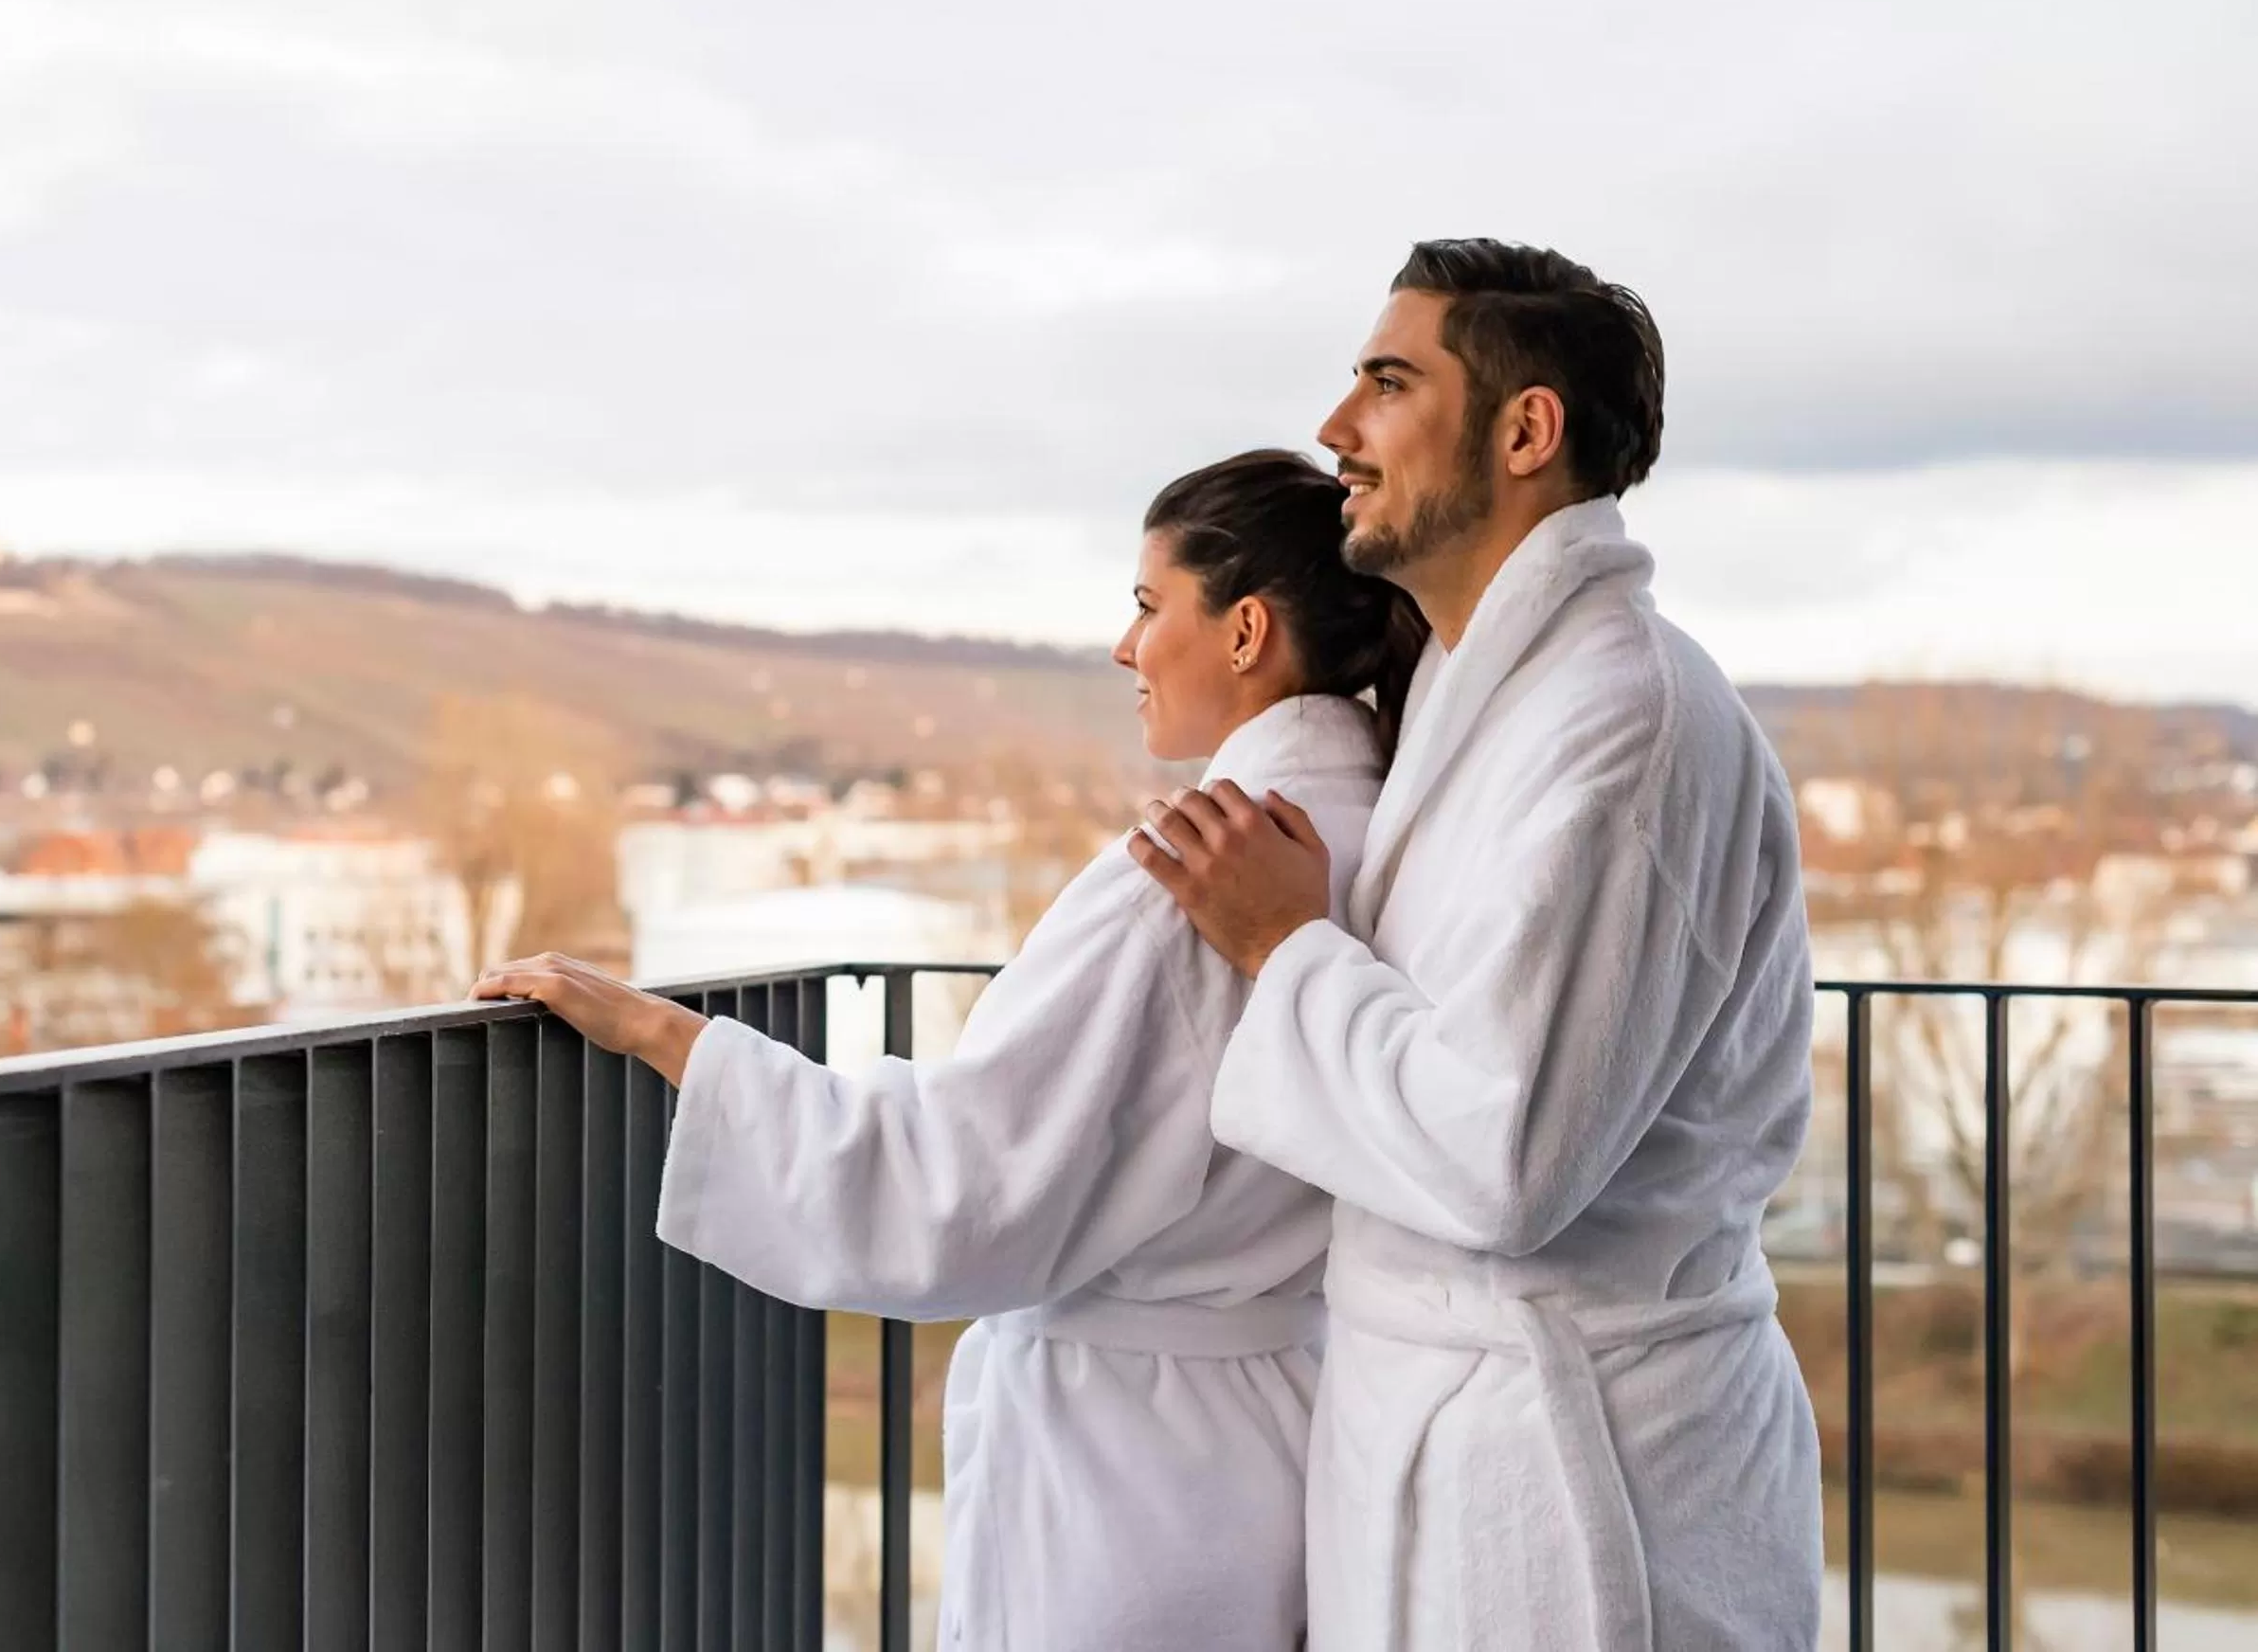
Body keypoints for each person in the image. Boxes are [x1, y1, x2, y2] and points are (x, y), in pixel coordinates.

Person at [475, 451, 1425, 1650]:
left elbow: (958, 1185)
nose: (1125, 647)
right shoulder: (1379, 834)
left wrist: (671, 1035)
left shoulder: (1189, 874)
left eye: (1148, 605)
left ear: (1245, 631)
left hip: (1130, 1495)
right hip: (1282, 1441)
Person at [1130, 242, 1822, 1651]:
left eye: (1389, 384)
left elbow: (1502, 1160)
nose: (1337, 428)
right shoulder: (1485, 692)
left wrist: (1284, 944)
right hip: (1440, 1430)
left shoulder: (1625, 721)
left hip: (1581, 1483)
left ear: (1524, 430)